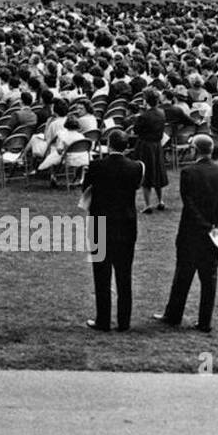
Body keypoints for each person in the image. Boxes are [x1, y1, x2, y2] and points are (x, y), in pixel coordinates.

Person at [153, 134, 218, 334]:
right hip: (215, 233)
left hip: (192, 232)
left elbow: (189, 203)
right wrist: (217, 225)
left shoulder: (189, 172)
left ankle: (173, 315)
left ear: (195, 150)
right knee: (210, 278)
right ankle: (204, 321)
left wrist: (204, 224)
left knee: (183, 275)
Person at [81, 129, 144, 332]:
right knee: (124, 275)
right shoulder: (136, 168)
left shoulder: (97, 166)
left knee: (102, 274)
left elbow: (85, 188)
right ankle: (124, 322)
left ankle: (103, 320)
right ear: (126, 147)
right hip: (126, 224)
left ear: (109, 144)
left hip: (101, 223)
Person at [132, 88, 168, 213]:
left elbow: (136, 130)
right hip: (157, 145)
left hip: (145, 145)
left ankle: (147, 205)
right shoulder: (161, 112)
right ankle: (160, 201)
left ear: (146, 100)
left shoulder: (144, 116)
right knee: (157, 171)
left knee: (146, 174)